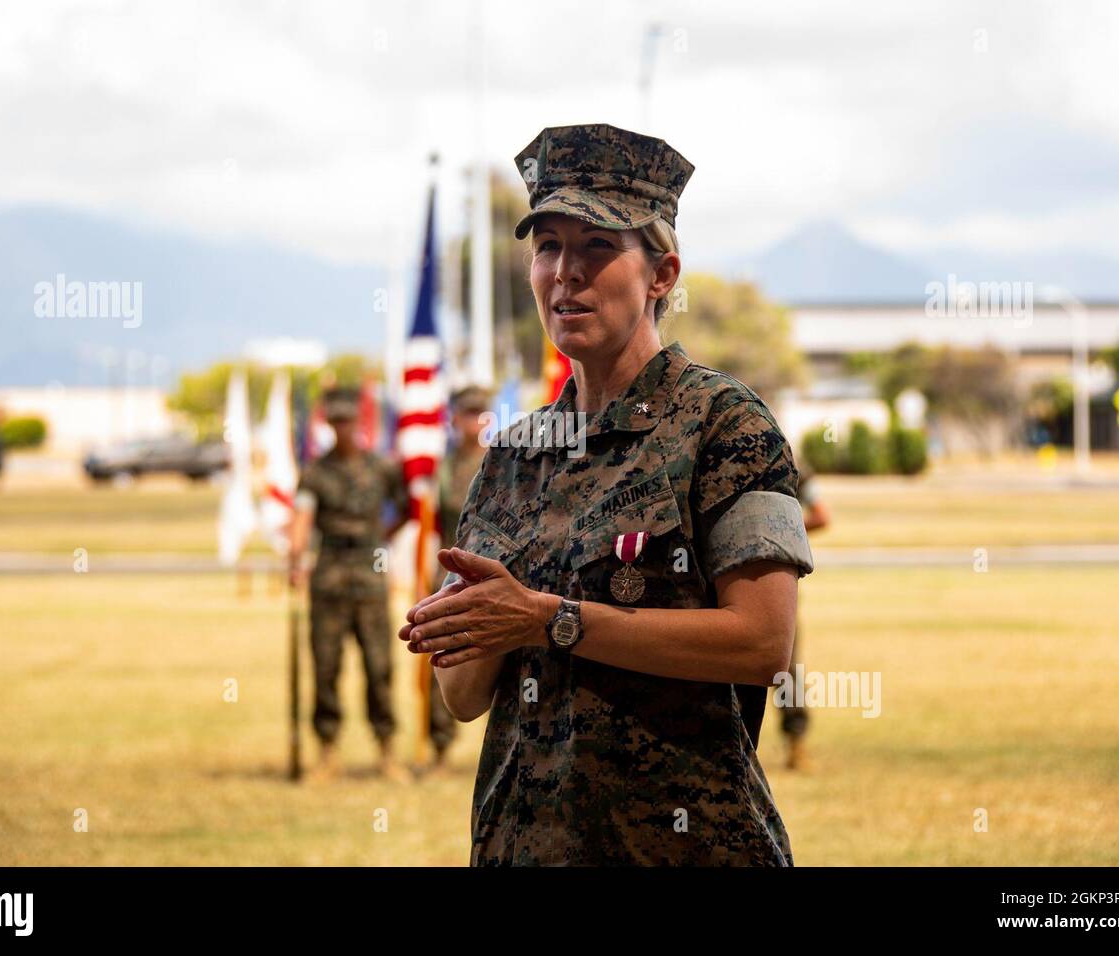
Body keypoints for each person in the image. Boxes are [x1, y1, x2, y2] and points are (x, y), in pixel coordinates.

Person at [399, 124, 814, 865]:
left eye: (597, 247)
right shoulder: (511, 455)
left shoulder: (725, 424)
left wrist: (547, 619)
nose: (565, 273)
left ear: (662, 275)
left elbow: (763, 643)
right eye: (548, 246)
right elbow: (460, 698)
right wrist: (468, 627)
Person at [289, 387, 410, 783]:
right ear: (329, 424)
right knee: (326, 666)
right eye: (336, 421)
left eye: (348, 420)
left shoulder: (381, 468)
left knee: (379, 666)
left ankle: (387, 751)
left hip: (370, 573)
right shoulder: (315, 472)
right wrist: (295, 555)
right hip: (329, 575)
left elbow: (406, 508)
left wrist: (381, 539)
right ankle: (327, 752)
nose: (343, 428)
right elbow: (303, 519)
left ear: (359, 423)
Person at [420, 385, 493, 774]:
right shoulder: (443, 468)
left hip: (493, 573)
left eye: (482, 412)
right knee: (444, 659)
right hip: (449, 574)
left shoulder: (503, 461)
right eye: (468, 413)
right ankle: (440, 748)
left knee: (498, 660)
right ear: (455, 419)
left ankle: (496, 748)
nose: (475, 421)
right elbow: (430, 525)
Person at [767, 463, 831, 771]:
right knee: (786, 666)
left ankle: (796, 743)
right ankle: (796, 745)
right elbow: (820, 516)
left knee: (785, 665)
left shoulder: (793, 468)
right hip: (779, 577)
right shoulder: (790, 464)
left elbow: (821, 517)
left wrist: (768, 533)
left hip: (772, 579)